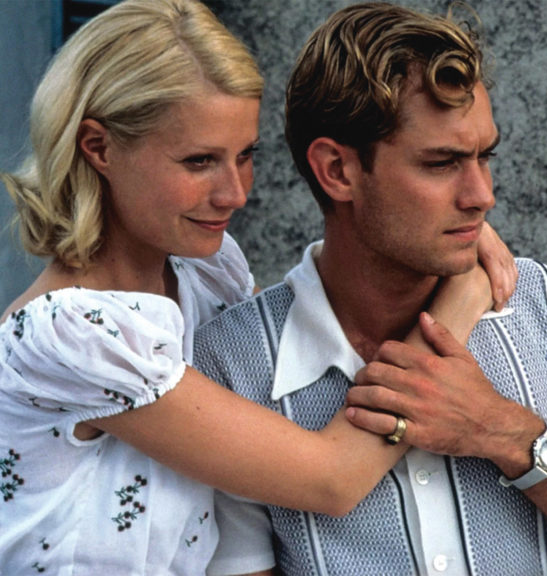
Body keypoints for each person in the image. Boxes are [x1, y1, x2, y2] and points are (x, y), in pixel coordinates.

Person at [0, 0, 516, 573]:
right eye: (199, 161)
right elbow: (332, 479)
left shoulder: (203, 274)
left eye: (245, 155)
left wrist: (450, 234)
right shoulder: (68, 334)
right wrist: (461, 298)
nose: (236, 194)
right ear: (99, 148)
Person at [194, 3, 547, 575]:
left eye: (485, 156)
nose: (482, 195)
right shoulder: (232, 364)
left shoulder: (535, 303)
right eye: (442, 163)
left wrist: (505, 431)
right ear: (337, 170)